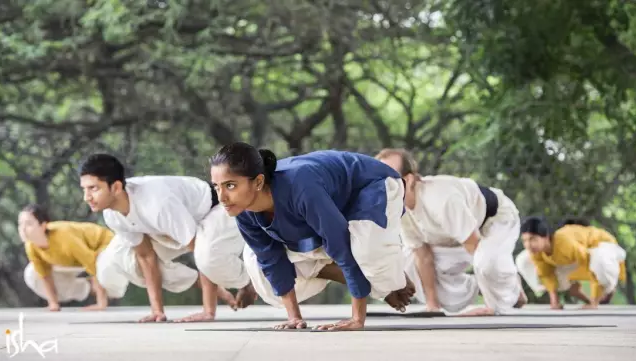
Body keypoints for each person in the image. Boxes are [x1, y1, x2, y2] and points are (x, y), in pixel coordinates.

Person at [209, 142, 415, 331]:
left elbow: (340, 245)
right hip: (331, 205)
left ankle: (388, 271)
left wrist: (357, 319)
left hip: (371, 184)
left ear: (258, 181)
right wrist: (294, 318)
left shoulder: (300, 187)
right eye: (217, 187)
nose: (221, 197)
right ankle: (375, 275)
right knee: (263, 278)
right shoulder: (243, 211)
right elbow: (271, 258)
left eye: (230, 185)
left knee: (367, 253)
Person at [78, 153, 257, 323]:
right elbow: (146, 257)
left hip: (215, 210)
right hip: (169, 227)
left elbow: (198, 250)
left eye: (93, 188)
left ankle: (248, 281)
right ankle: (219, 289)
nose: (87, 197)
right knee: (125, 259)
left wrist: (208, 311)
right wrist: (157, 311)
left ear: (116, 187)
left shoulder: (157, 205)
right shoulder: (112, 215)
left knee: (206, 255)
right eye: (84, 189)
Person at [376, 148, 527, 316]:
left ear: (408, 179)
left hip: (495, 221)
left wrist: (490, 306)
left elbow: (474, 246)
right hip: (454, 238)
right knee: (407, 262)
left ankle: (507, 286)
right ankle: (490, 286)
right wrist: (433, 306)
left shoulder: (440, 200)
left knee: (485, 261)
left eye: (389, 177)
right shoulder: (399, 208)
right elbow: (422, 255)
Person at [18, 204, 128, 311]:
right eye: (20, 224)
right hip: (73, 261)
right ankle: (88, 287)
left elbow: (92, 263)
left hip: (103, 246)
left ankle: (109, 287)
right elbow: (45, 275)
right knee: (32, 273)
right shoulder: (31, 245)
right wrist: (53, 303)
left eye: (28, 224)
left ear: (42, 226)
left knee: (114, 286)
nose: (23, 229)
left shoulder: (64, 237)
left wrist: (101, 303)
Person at [517, 216, 627, 309]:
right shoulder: (536, 251)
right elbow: (546, 274)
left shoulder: (564, 242)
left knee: (599, 261)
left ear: (545, 237)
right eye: (525, 240)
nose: (528, 244)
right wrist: (554, 302)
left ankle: (605, 290)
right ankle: (577, 290)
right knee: (523, 259)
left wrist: (595, 301)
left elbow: (588, 260)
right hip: (578, 256)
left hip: (603, 246)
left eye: (533, 239)